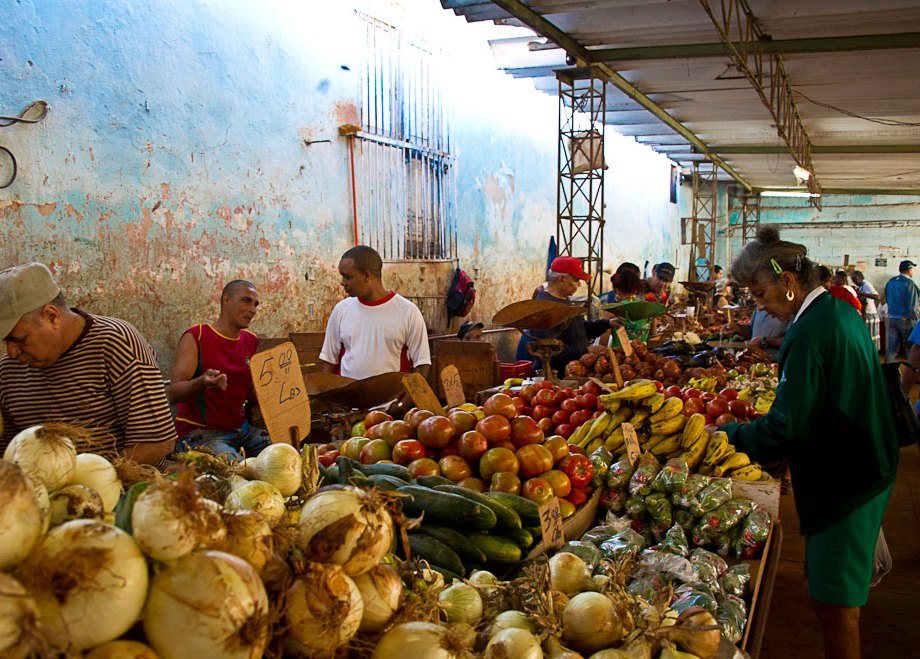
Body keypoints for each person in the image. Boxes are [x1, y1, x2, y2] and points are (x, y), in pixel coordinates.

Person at [720, 227, 898, 659]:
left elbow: (786, 427)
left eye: (760, 294)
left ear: (788, 282)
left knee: (835, 606)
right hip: (862, 460)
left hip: (845, 476)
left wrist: (727, 435)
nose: (759, 306)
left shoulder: (811, 331)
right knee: (836, 595)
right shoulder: (835, 313)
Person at [0, 262, 176, 466]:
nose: (11, 352)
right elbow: (8, 454)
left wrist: (93, 480)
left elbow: (156, 442)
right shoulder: (8, 370)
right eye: (6, 341)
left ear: (51, 316)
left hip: (125, 489)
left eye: (19, 339)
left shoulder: (115, 342)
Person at [167, 280, 270, 459]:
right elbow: (173, 393)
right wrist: (202, 382)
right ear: (226, 300)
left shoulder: (251, 341)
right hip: (200, 434)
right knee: (238, 473)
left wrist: (277, 393)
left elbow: (249, 392)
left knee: (286, 455)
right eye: (246, 301)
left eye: (255, 304)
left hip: (242, 430)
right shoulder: (197, 336)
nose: (252, 309)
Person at [320, 245, 431, 380]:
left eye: (348, 277)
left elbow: (421, 365)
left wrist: (403, 402)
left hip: (392, 400)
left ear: (367, 276)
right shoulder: (341, 310)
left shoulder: (408, 312)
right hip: (348, 400)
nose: (342, 283)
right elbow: (329, 361)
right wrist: (328, 397)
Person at [516, 256, 620, 376]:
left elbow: (579, 328)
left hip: (573, 372)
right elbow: (548, 349)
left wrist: (607, 323)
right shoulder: (545, 307)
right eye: (575, 280)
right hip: (555, 375)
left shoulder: (564, 300)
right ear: (561, 279)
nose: (579, 285)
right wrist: (585, 350)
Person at [884, 260, 919, 363]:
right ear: (909, 269)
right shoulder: (909, 283)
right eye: (912, 269)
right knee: (910, 349)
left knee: (891, 349)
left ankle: (887, 373)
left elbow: (886, 298)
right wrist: (916, 321)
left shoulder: (891, 281)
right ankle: (910, 374)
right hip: (906, 320)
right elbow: (912, 306)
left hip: (891, 318)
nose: (913, 271)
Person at [721, 308, 791, 359]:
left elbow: (792, 340)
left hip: (775, 363)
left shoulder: (790, 310)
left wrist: (765, 341)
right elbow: (752, 329)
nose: (761, 308)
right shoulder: (759, 307)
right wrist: (737, 328)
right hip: (754, 361)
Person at [851, 271, 881, 352]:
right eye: (853, 280)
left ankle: (872, 353)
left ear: (861, 278)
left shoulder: (866, 284)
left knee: (871, 336)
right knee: (866, 336)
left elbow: (877, 297)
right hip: (865, 314)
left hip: (870, 313)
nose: (855, 282)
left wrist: (861, 293)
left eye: (856, 280)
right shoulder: (861, 286)